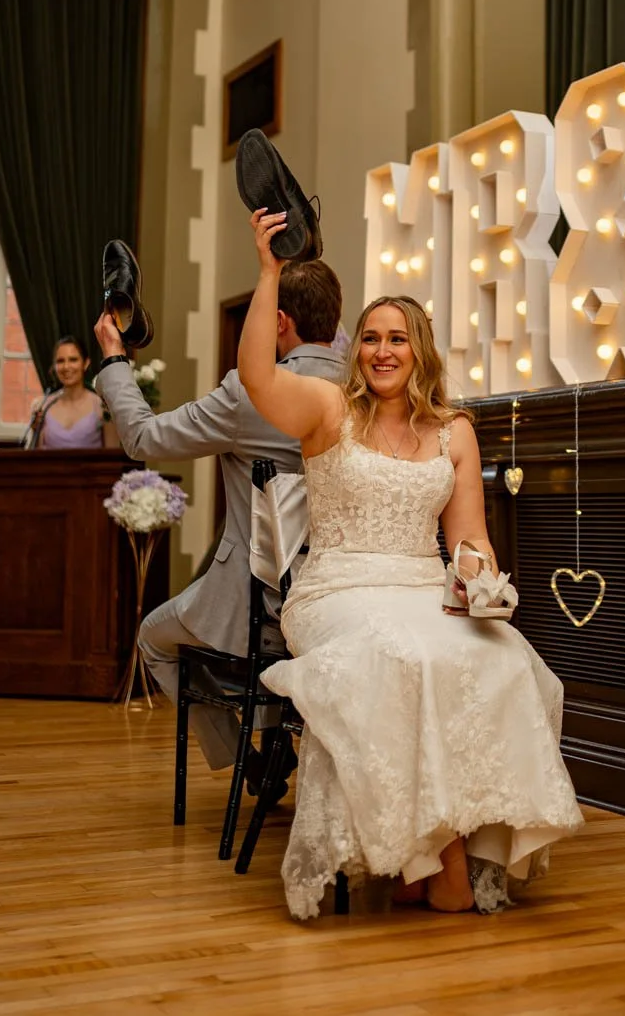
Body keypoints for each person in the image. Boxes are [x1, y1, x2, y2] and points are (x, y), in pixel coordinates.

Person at [239, 207, 584, 920]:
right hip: (339, 587)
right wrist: (270, 272)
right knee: (399, 658)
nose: (382, 351)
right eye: (370, 338)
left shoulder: (453, 431)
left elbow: (470, 537)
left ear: (419, 349)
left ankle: (418, 857)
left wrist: (478, 577)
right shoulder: (329, 410)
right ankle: (438, 859)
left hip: (424, 586)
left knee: (506, 662)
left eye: (397, 338)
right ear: (354, 349)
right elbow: (254, 377)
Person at [93, 259, 346, 772]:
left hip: (260, 606)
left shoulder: (252, 392)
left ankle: (248, 761)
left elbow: (143, 439)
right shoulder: (365, 391)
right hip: (342, 602)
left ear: (278, 322)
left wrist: (115, 359)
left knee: (154, 638)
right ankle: (275, 734)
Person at [28, 336, 118, 449]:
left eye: (73, 360)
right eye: (60, 361)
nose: (66, 367)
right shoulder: (41, 405)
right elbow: (34, 457)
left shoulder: (103, 406)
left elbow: (112, 456)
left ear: (85, 363)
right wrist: (35, 429)